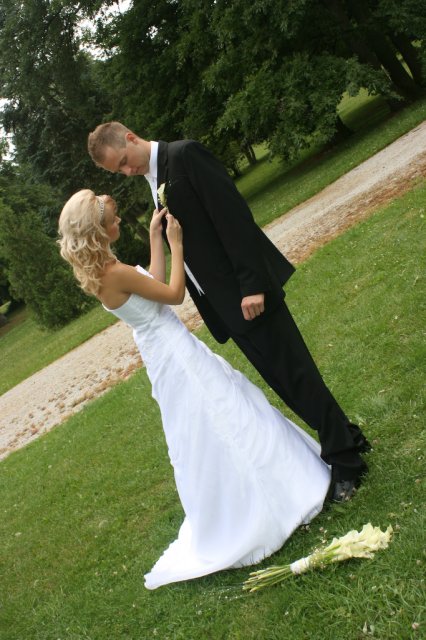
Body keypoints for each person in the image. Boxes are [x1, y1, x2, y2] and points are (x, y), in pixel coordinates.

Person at [58, 189, 331, 589]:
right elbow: (172, 294)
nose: (118, 222)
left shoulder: (104, 270)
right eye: (113, 220)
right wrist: (177, 244)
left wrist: (155, 238)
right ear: (99, 232)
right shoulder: (114, 273)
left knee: (209, 420)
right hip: (174, 352)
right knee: (221, 413)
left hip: (163, 350)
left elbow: (150, 284)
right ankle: (270, 501)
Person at [87, 122, 371, 502]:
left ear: (131, 138)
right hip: (225, 305)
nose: (126, 171)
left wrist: (252, 286)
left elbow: (234, 217)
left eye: (124, 161)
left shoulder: (185, 156)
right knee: (284, 378)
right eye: (118, 170)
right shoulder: (154, 180)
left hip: (246, 294)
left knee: (295, 374)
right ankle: (348, 437)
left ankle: (346, 462)